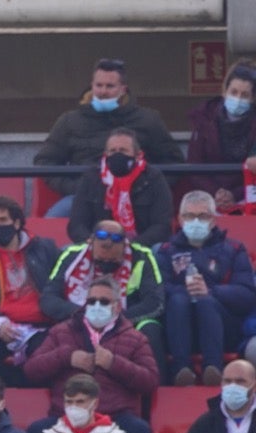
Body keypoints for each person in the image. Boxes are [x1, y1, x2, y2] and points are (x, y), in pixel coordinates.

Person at [25, 275, 157, 433]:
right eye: (91, 301)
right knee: (35, 431)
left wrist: (113, 363)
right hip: (67, 415)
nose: (96, 306)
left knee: (140, 430)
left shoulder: (135, 338)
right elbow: (31, 370)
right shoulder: (61, 332)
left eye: (104, 301)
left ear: (117, 307)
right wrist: (66, 357)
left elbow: (150, 381)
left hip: (115, 417)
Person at [36, 59, 184, 217]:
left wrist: (148, 187)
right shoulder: (69, 121)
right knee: (52, 221)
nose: (103, 91)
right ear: (92, 86)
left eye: (110, 86)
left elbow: (173, 161)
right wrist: (75, 188)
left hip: (138, 198)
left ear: (123, 89)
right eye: (98, 85)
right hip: (83, 198)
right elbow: (45, 162)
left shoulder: (148, 120)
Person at [41, 220, 166, 384]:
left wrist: (116, 319)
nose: (106, 264)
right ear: (91, 243)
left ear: (125, 246)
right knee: (53, 334)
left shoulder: (142, 256)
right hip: (79, 319)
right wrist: (84, 315)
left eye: (112, 261)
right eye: (101, 260)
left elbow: (155, 302)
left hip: (126, 321)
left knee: (150, 327)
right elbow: (48, 299)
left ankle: (159, 389)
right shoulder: (71, 255)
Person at [158, 191, 256, 386]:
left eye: (202, 216)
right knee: (178, 300)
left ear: (213, 219)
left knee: (206, 301)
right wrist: (186, 292)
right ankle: (181, 371)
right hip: (179, 327)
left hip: (223, 327)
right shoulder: (166, 251)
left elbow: (247, 294)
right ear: (179, 219)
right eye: (189, 216)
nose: (195, 221)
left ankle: (214, 369)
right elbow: (158, 291)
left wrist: (210, 291)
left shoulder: (235, 249)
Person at [0, 195, 58, 382]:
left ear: (17, 223)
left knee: (50, 349)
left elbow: (60, 288)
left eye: (3, 220)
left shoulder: (46, 249)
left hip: (42, 326)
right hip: (4, 325)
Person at [68, 129, 174, 247]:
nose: (117, 155)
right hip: (97, 246)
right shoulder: (91, 177)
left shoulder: (153, 178)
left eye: (123, 150)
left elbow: (162, 225)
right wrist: (92, 242)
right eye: (112, 151)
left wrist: (131, 246)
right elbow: (76, 224)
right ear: (105, 154)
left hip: (141, 246)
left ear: (137, 155)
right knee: (66, 250)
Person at [185, 62, 256, 212]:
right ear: (224, 91)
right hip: (208, 198)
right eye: (234, 92)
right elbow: (194, 166)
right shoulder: (204, 118)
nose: (238, 98)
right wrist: (217, 193)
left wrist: (234, 195)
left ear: (252, 99)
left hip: (247, 196)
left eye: (245, 95)